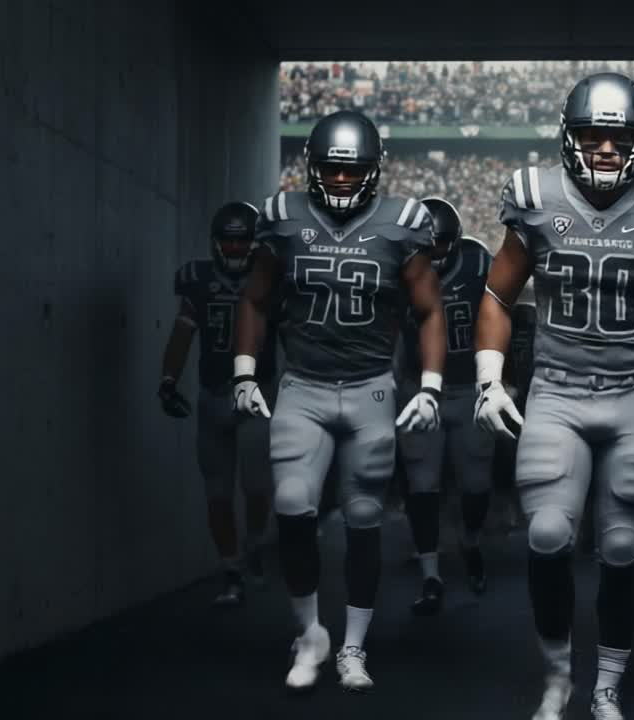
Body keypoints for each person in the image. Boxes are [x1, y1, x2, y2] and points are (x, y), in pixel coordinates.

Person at [474, 72, 634, 720]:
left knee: (619, 546)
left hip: (633, 394)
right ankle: (557, 674)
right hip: (557, 391)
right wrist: (489, 377)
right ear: (569, 137)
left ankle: (608, 681)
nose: (607, 149)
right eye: (593, 134)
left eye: (620, 138)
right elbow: (499, 294)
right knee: (549, 534)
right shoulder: (536, 197)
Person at [232, 110, 447, 692]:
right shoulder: (283, 217)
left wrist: (429, 386)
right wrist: (245, 372)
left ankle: (353, 644)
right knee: (294, 504)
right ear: (312, 168)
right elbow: (253, 298)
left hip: (372, 385)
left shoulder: (403, 223)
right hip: (303, 383)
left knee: (363, 517)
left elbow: (430, 310)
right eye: (333, 171)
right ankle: (310, 633)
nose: (344, 182)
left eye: (354, 173)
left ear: (374, 171)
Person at [158, 201, 277, 607]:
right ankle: (231, 569)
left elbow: (296, 333)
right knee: (218, 492)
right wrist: (168, 380)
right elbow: (182, 333)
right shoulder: (199, 281)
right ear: (215, 242)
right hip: (213, 394)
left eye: (242, 239)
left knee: (258, 486)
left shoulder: (272, 279)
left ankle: (256, 543)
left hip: (257, 394)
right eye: (227, 239)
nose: (234, 247)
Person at [398, 198, 495, 614]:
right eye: (425, 246)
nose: (432, 254)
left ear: (454, 243)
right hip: (419, 389)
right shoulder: (396, 267)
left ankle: (471, 539)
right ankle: (431, 575)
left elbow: (503, 313)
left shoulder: (478, 264)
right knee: (422, 484)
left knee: (476, 484)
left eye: (439, 245)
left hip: (469, 388)